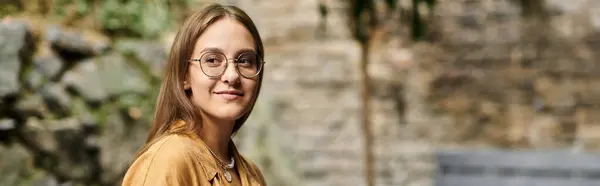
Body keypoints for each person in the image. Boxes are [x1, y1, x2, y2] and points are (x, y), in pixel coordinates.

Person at [122, 3, 267, 186]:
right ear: (184, 75)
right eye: (212, 60)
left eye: (245, 60)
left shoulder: (251, 173)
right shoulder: (167, 162)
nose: (232, 76)